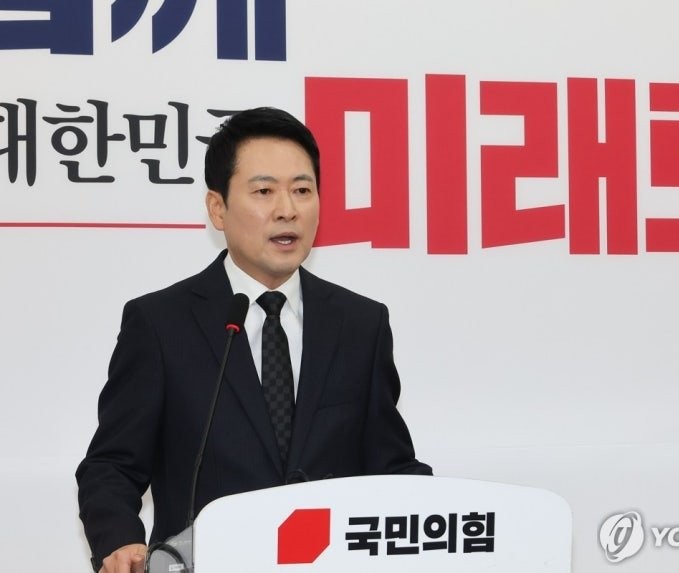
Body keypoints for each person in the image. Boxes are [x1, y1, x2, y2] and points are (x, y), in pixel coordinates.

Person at [76, 107, 432, 573]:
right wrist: (120, 539)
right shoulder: (160, 324)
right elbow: (112, 465)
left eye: (302, 190)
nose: (288, 210)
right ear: (217, 208)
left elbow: (391, 467)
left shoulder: (361, 323)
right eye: (264, 191)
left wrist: (451, 512)